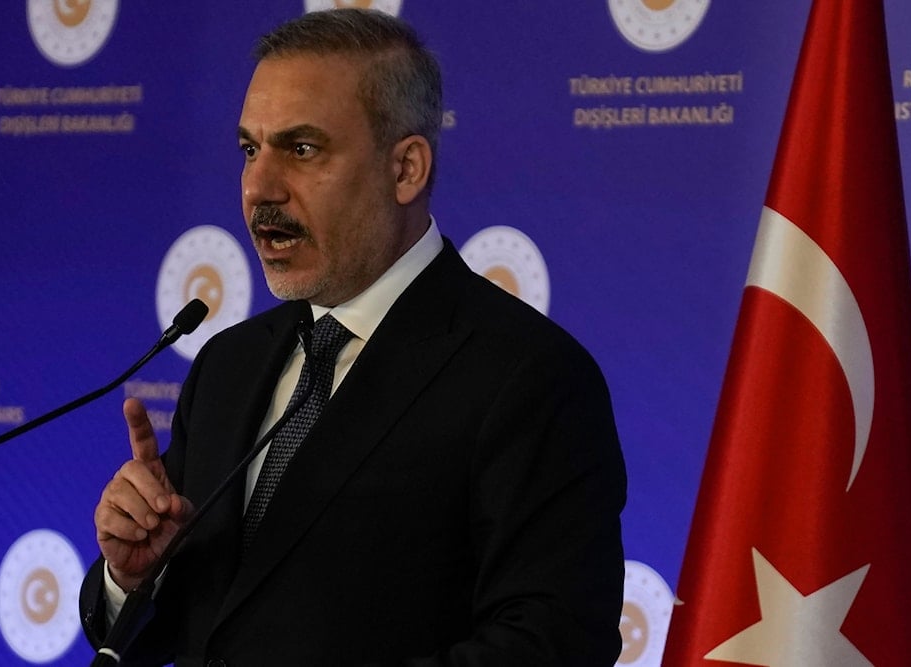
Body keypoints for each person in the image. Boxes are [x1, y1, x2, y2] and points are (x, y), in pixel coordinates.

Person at [80, 8, 626, 666]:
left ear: (406, 169)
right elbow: (195, 625)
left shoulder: (528, 376)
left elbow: (553, 644)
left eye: (302, 149)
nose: (259, 187)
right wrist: (133, 577)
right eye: (251, 149)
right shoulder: (229, 363)